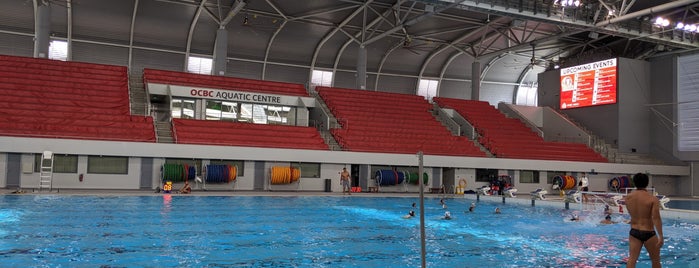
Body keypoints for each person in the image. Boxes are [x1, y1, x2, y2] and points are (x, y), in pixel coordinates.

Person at [624, 173, 663, 268]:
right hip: (648, 232)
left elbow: (633, 214)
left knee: (632, 259)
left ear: (635, 183)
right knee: (655, 260)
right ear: (647, 183)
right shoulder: (652, 199)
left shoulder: (628, 198)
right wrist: (661, 236)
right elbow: (656, 218)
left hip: (634, 232)